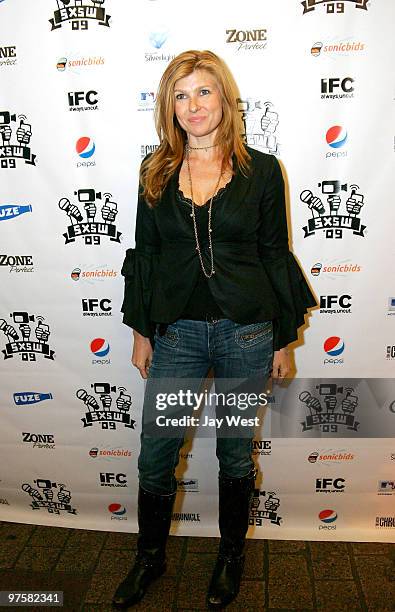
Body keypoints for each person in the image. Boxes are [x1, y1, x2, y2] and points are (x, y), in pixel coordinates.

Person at [112, 50, 316, 609]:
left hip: (246, 334)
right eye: (181, 94)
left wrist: (281, 338)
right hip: (176, 335)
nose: (193, 105)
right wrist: (141, 331)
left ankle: (230, 558)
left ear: (225, 98)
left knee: (232, 452)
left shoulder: (261, 170)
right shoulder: (155, 169)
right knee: (156, 453)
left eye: (204, 92)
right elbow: (147, 254)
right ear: (168, 106)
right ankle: (149, 560)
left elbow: (275, 254)